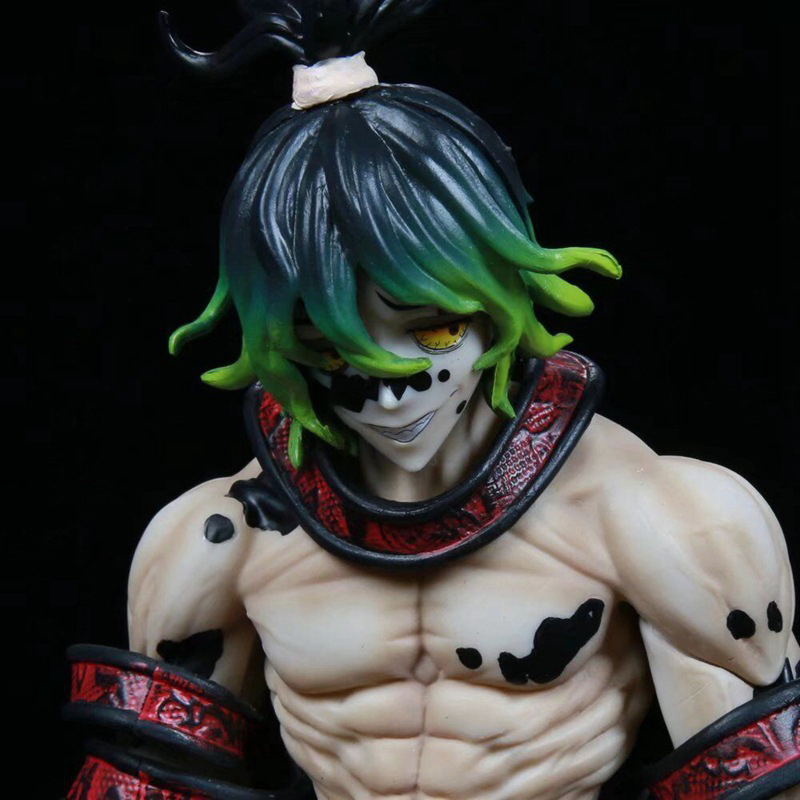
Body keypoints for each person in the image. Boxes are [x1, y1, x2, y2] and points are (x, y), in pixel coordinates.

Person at [64, 2, 799, 798]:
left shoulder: (664, 521)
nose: (388, 390)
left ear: (497, 297)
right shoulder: (219, 541)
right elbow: (143, 783)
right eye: (331, 348)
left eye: (435, 330)